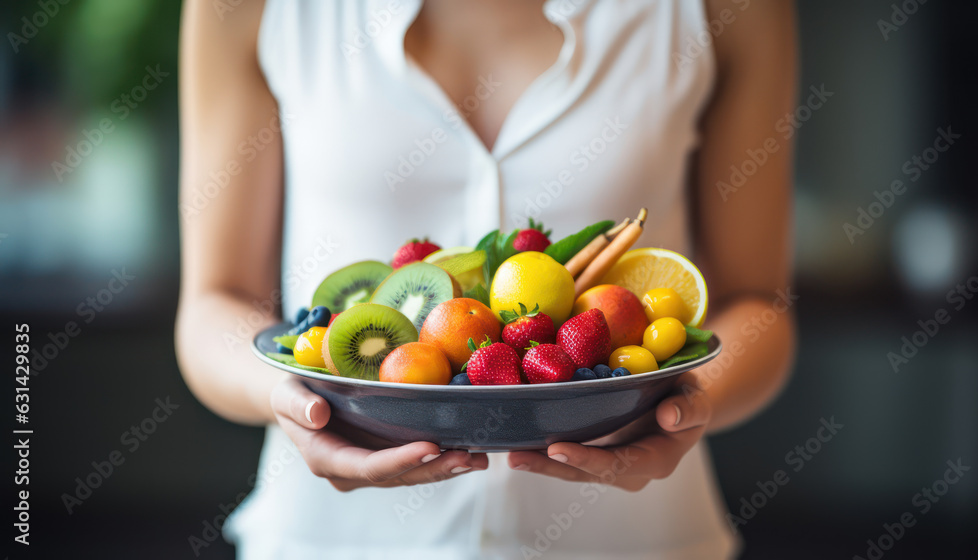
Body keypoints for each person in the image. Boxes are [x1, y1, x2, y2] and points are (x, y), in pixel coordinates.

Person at [175, 0, 797, 557]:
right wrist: (296, 401)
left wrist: (671, 402)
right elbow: (212, 305)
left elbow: (759, 305)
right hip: (335, 540)